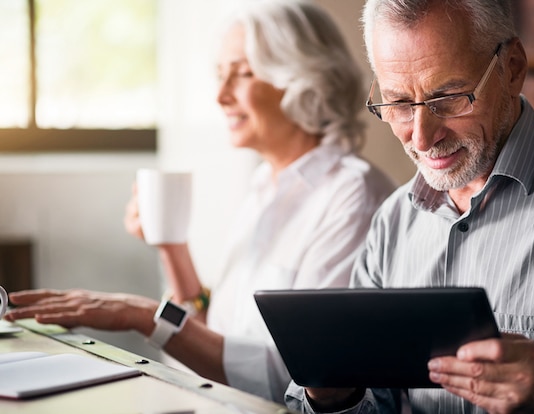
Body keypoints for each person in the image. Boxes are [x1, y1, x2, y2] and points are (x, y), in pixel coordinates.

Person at [5, 0, 395, 404]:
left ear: (304, 79)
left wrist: (141, 315)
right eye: (220, 75)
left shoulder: (354, 197)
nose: (221, 96)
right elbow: (217, 336)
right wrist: (171, 245)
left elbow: (298, 378)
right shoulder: (265, 185)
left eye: (242, 73)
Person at [283, 0, 534, 413]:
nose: (421, 138)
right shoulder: (392, 223)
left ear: (512, 68)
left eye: (448, 98)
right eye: (399, 104)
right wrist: (335, 396)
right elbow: (378, 402)